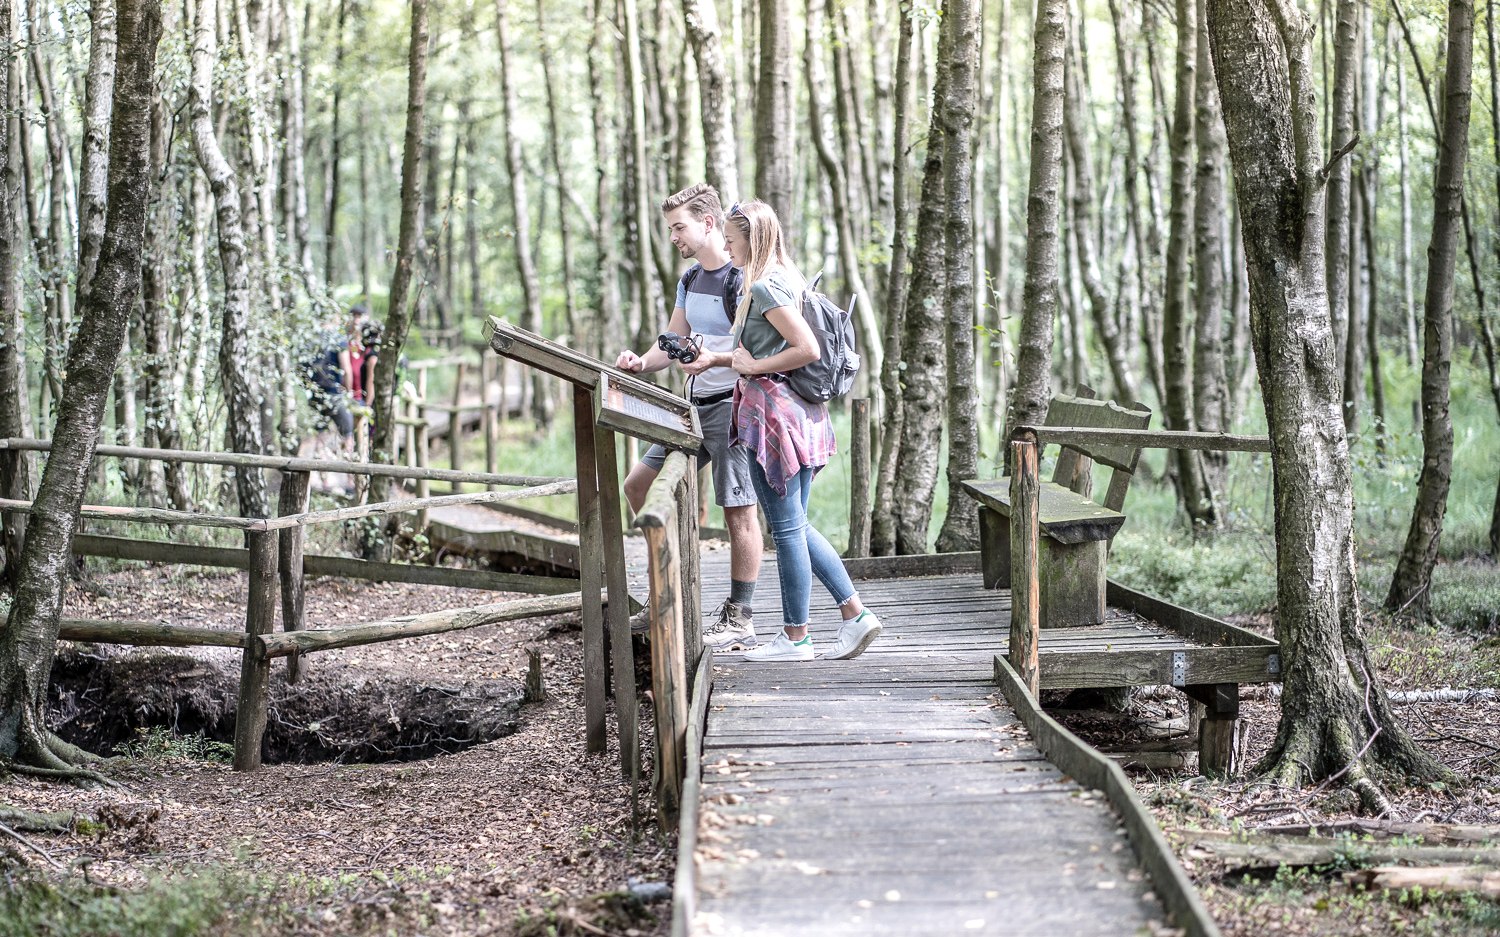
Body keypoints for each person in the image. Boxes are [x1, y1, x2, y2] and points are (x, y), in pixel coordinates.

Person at [723, 200, 881, 662]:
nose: (728, 248)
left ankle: (796, 638)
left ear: (751, 240)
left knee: (787, 530)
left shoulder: (767, 286)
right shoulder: (788, 277)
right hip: (801, 414)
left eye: (732, 241)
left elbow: (806, 347)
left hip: (774, 418)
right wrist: (723, 359)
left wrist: (753, 367)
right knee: (796, 525)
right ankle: (855, 615)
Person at [615, 183, 762, 651]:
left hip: (732, 407)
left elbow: (752, 349)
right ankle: (671, 588)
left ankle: (741, 615)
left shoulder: (741, 278)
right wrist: (641, 361)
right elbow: (673, 339)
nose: (675, 237)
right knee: (637, 485)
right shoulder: (690, 279)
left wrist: (712, 359)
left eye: (679, 227)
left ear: (707, 223)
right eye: (672, 228)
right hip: (688, 408)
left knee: (738, 510)